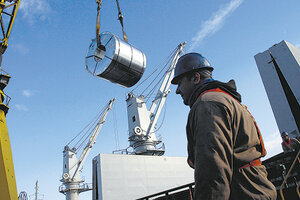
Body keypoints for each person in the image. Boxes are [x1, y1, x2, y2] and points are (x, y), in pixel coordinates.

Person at [171, 53, 277, 200]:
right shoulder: (226, 99)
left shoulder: (207, 104)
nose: (177, 91)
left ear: (196, 78)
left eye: (180, 83)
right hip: (257, 190)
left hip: (244, 194)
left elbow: (212, 170)